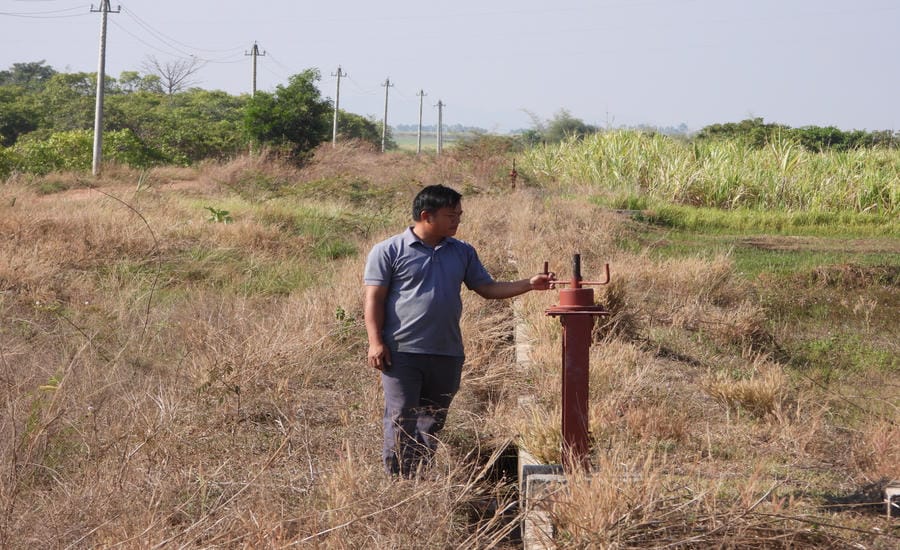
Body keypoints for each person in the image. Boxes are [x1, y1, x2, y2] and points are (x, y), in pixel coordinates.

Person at [363, 184, 554, 477]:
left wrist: (529, 284)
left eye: (459, 215)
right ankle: (398, 482)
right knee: (401, 417)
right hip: (401, 352)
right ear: (427, 216)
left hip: (447, 352)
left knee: (433, 420)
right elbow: (374, 299)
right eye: (451, 215)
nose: (457, 221)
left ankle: (420, 477)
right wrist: (376, 342)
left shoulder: (462, 251)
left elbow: (487, 289)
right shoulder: (388, 250)